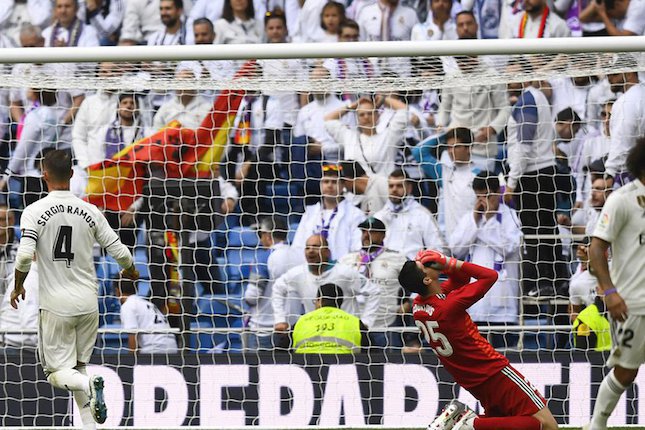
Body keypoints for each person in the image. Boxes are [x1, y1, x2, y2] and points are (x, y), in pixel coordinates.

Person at [9, 150, 139, 428]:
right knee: (77, 366)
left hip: (56, 305)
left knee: (57, 373)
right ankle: (90, 424)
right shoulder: (91, 210)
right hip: (88, 304)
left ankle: (89, 383)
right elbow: (121, 252)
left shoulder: (33, 211)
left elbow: (22, 257)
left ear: (44, 175)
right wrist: (131, 270)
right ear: (71, 174)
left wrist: (17, 286)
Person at [398, 250, 559, 430]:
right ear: (427, 280)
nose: (429, 263)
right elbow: (490, 276)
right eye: (425, 266)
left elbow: (461, 280)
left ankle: (472, 423)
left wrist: (445, 267)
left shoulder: (418, 305)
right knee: (546, 425)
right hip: (495, 371)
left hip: (474, 379)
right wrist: (449, 263)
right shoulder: (450, 305)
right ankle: (471, 424)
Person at [585, 137, 645, 430]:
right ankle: (597, 424)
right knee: (626, 372)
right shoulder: (622, 200)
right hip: (631, 304)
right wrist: (609, 291)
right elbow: (597, 249)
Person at [449, 171, 522, 349]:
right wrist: (475, 222)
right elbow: (456, 249)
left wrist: (489, 219)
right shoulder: (470, 217)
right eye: (479, 197)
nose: (483, 201)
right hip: (476, 304)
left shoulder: (511, 216)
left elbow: (508, 248)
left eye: (488, 196)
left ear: (498, 193)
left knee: (505, 354)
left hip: (503, 300)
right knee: (476, 355)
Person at [339, 217, 407, 347]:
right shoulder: (347, 259)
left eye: (371, 232)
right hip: (352, 326)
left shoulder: (397, 258)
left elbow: (414, 282)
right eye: (363, 231)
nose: (366, 235)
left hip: (385, 325)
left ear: (383, 235)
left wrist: (407, 302)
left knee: (391, 365)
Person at [243, 217, 301, 350]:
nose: (260, 239)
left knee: (259, 370)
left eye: (260, 234)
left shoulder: (265, 258)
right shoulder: (299, 257)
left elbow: (252, 297)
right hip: (293, 328)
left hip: (264, 329)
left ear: (268, 236)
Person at [374, 169, 445, 260]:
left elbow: (437, 248)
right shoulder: (379, 216)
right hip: (383, 268)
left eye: (399, 186)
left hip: (413, 269)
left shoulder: (422, 214)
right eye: (391, 186)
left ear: (409, 188)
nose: (394, 189)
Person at [292, 283, 369, 354]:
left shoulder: (301, 321)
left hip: (306, 364)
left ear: (320, 300)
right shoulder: (355, 322)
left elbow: (283, 350)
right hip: (343, 364)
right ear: (340, 302)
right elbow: (370, 351)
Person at [115, 277, 178, 354]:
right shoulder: (148, 303)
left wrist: (130, 363)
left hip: (156, 349)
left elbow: (132, 336)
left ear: (117, 291)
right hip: (173, 347)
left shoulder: (128, 305)